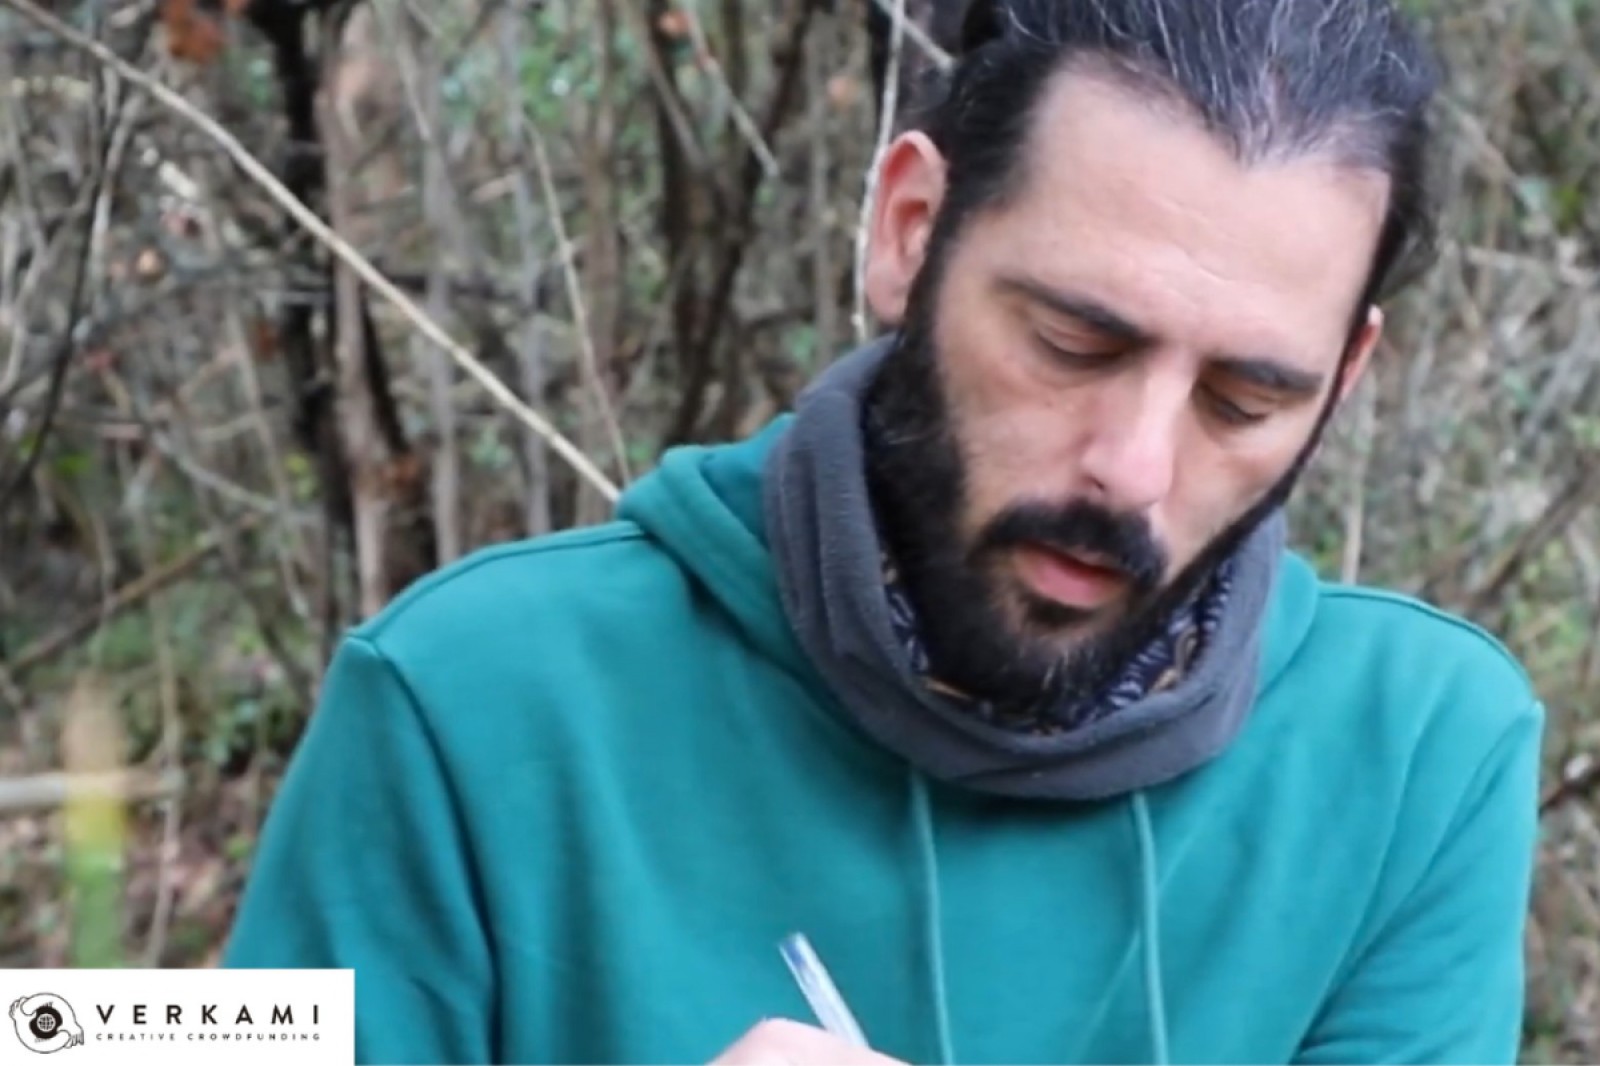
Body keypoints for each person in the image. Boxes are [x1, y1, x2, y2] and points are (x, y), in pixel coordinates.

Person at [221, 0, 1547, 1062]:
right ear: (911, 231)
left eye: (1244, 400)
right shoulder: (459, 692)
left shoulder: (1420, 752)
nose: (1133, 470)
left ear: (1346, 377)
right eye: (1072, 342)